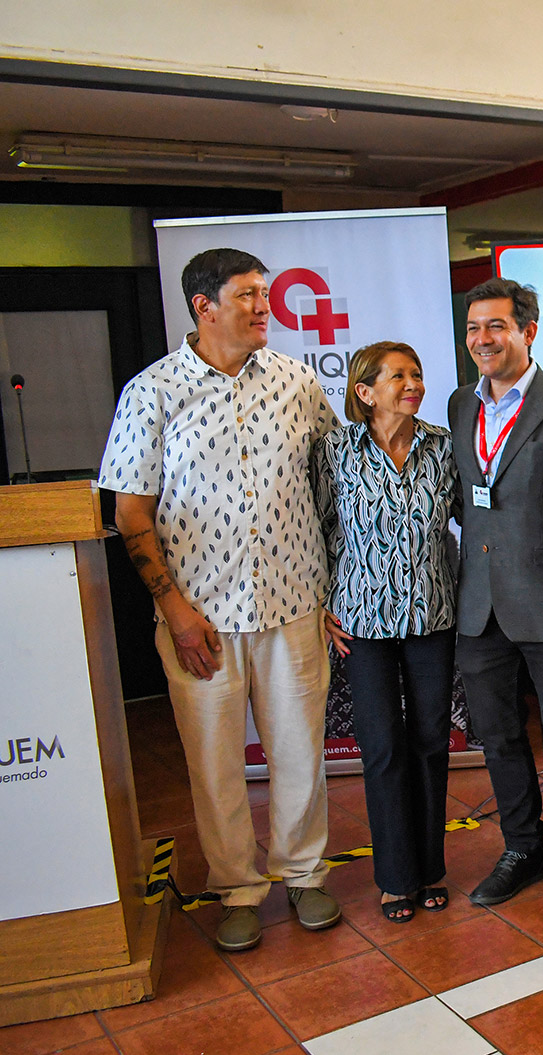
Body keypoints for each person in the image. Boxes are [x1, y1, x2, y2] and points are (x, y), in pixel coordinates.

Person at [99, 247, 341, 952]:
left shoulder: (297, 382)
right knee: (214, 761)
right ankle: (237, 886)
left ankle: (303, 873)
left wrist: (335, 586)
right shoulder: (153, 391)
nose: (264, 306)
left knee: (300, 752)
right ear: (203, 306)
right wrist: (173, 610)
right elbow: (130, 513)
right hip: (198, 616)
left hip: (294, 601)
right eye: (247, 295)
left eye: (264, 294)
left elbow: (332, 487)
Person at [450, 277, 543, 911]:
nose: (482, 339)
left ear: (528, 331)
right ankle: (520, 849)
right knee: (500, 735)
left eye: (496, 327)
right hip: (478, 606)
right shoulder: (460, 405)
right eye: (474, 328)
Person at [313, 342, 458, 923]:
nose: (412, 384)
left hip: (431, 616)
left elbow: (467, 524)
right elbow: (317, 529)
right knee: (382, 750)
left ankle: (430, 869)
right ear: (364, 392)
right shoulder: (336, 451)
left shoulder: (444, 448)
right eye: (397, 376)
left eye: (417, 373)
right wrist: (320, 601)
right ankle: (395, 877)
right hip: (360, 622)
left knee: (429, 744)